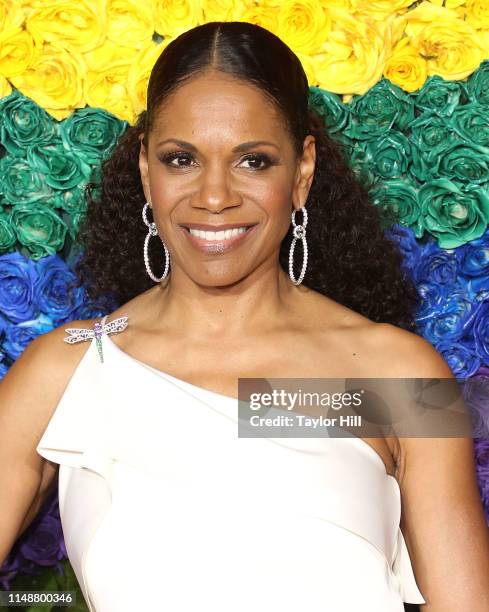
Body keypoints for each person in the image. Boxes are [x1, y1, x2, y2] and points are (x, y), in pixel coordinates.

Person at [1, 20, 489, 612]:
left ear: (302, 172)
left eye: (253, 161)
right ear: (143, 169)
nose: (214, 196)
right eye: (181, 158)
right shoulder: (65, 371)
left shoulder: (398, 374)